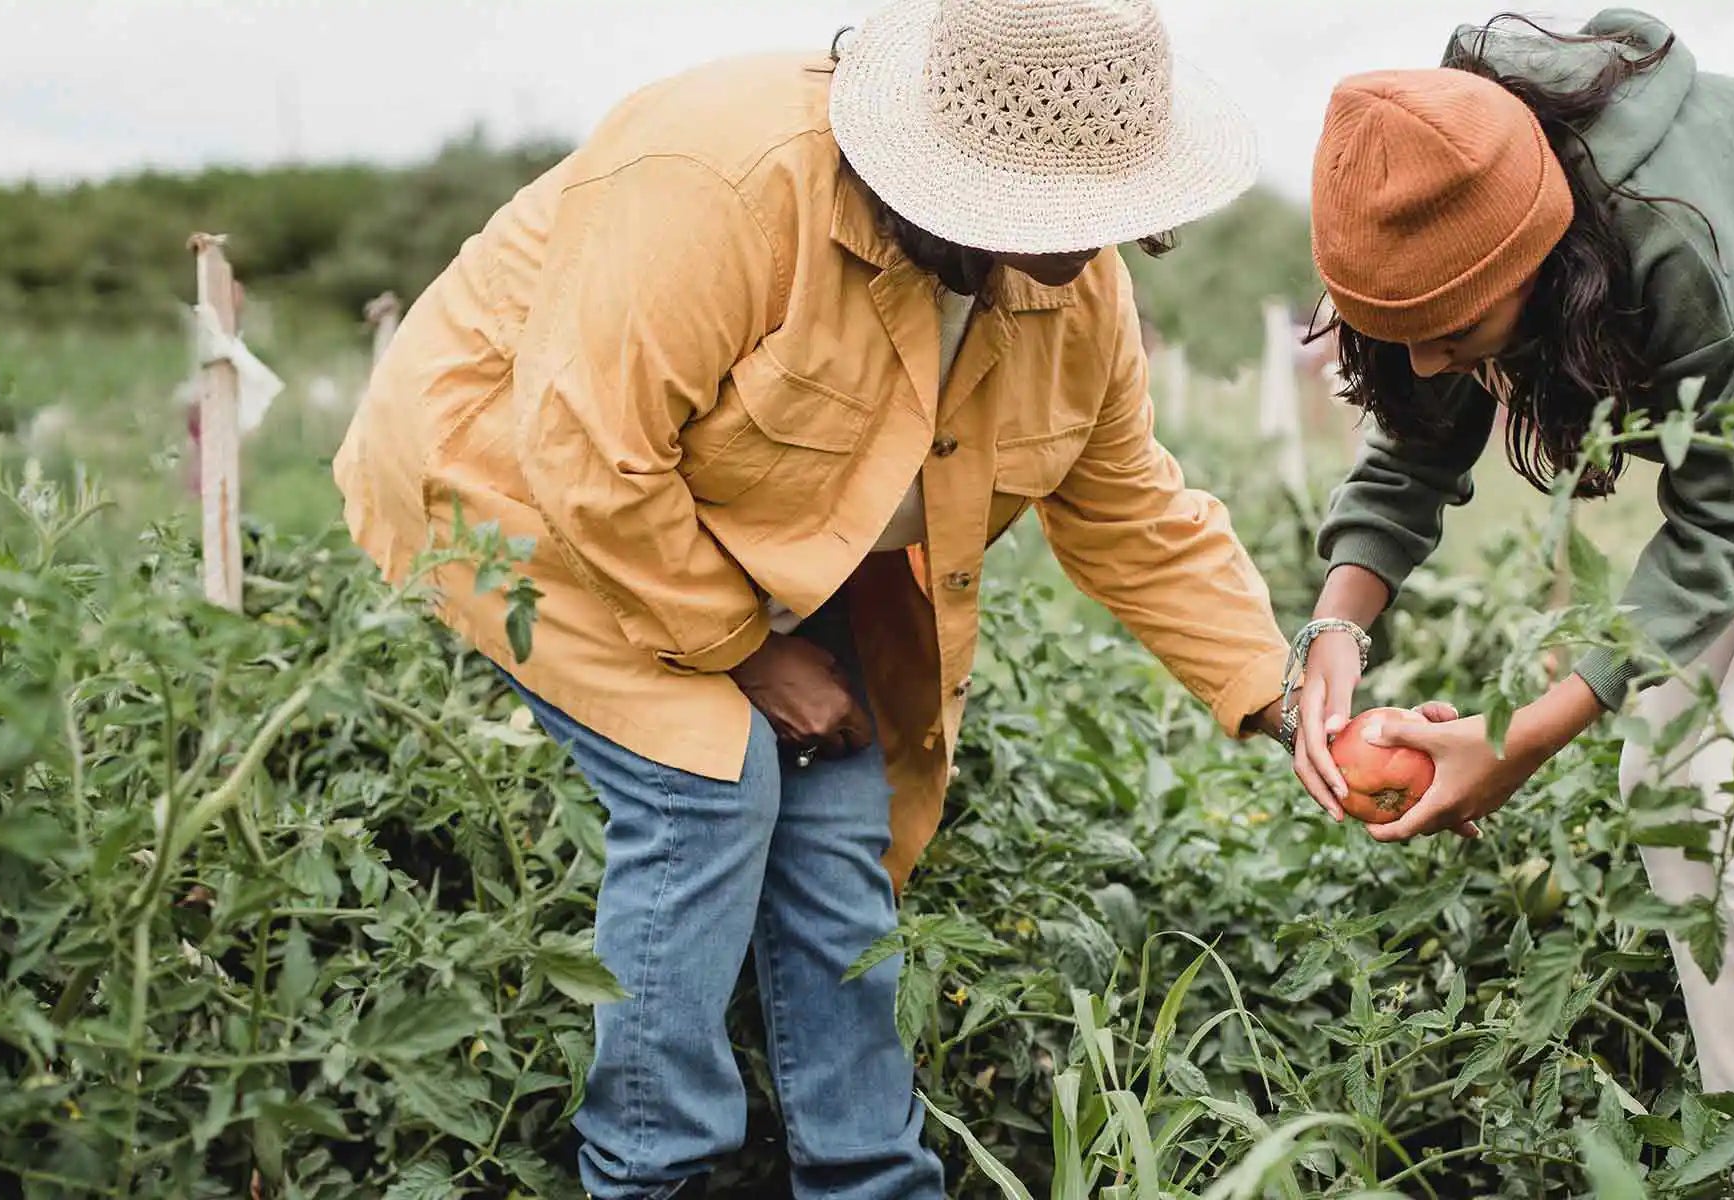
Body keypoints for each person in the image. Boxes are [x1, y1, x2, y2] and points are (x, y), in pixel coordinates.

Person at [332, 0, 1300, 1194]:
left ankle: (870, 1175)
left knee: (843, 806)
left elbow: (1128, 508)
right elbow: (591, 453)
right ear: (938, 165)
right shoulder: (726, 184)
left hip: (755, 522)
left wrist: (1282, 697)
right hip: (521, 493)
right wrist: (749, 650)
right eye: (1044, 213)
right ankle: (656, 1171)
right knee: (709, 781)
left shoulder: (1075, 289)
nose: (1076, 250)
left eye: (1101, 214)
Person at [1285, 9, 1734, 1108]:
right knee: (1661, 772)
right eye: (1399, 330)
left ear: (1539, 259)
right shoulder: (1435, 197)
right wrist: (1336, 625)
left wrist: (1513, 742)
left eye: (1455, 332)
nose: (1425, 360)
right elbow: (1413, 451)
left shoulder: (1672, 229)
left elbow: (1730, 520)